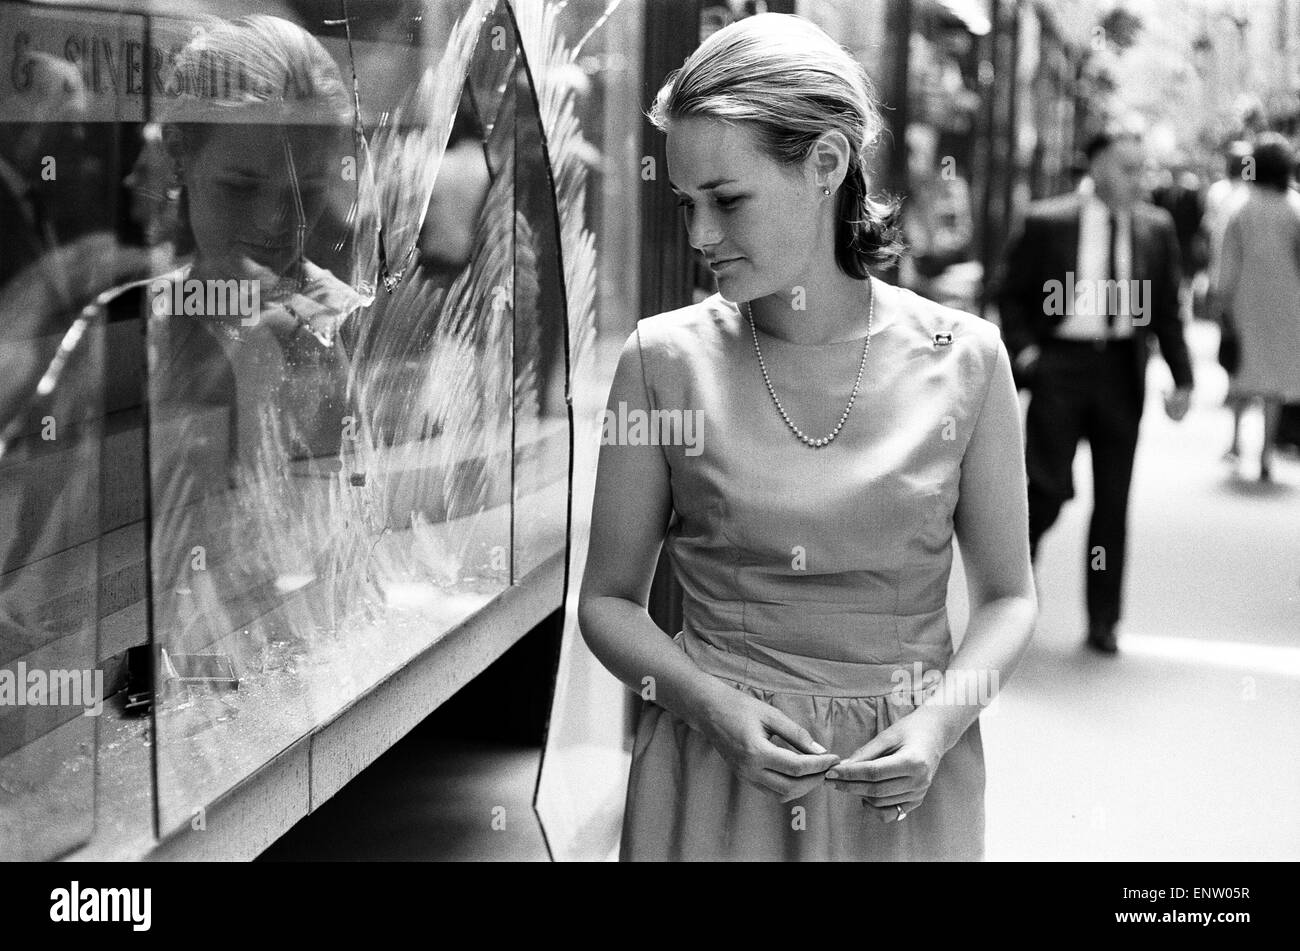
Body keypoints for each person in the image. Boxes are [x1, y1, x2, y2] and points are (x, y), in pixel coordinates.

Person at [579, 14, 1036, 862]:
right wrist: (708, 703)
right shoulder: (662, 361)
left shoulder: (964, 359)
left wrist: (938, 724)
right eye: (687, 204)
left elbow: (1009, 596)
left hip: (902, 786)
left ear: (826, 163)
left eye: (728, 199)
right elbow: (606, 601)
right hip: (716, 781)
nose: (700, 236)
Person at [998, 129, 1194, 655]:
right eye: (1129, 169)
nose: (1140, 180)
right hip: (1061, 368)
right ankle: (1011, 607)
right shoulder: (1048, 221)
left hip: (1121, 374)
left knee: (1112, 504)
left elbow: (1168, 310)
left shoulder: (1156, 227)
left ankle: (1103, 621)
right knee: (1044, 490)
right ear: (1099, 167)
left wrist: (1183, 377)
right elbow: (1010, 294)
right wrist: (1027, 356)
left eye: (1142, 169)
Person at [1213, 132, 1300, 482]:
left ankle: (1235, 441)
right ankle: (1265, 452)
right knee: (1274, 382)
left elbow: (1227, 258)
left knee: (1240, 371)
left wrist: (1221, 299)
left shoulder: (1239, 205)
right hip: (1287, 302)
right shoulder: (1294, 207)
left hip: (1244, 300)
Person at [1202, 141, 1252, 460]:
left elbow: (1210, 233)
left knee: (1232, 345)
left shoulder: (1221, 194)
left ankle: (1235, 393)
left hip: (1229, 281)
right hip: (1254, 287)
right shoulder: (1246, 195)